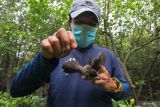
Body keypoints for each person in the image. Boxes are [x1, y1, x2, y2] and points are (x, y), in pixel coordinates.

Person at [9, 0, 130, 107]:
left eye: (91, 23)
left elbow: (126, 91)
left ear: (97, 26)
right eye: (79, 21)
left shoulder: (107, 55)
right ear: (70, 22)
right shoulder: (56, 53)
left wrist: (114, 86)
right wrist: (45, 59)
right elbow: (16, 90)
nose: (85, 27)